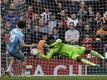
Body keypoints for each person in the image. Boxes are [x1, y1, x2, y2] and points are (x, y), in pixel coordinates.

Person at [35, 39, 105, 66]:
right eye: (52, 42)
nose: (53, 42)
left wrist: (51, 45)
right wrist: (39, 54)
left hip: (75, 48)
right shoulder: (52, 50)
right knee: (80, 59)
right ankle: (94, 65)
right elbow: (47, 58)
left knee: (89, 50)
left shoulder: (58, 42)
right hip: (71, 55)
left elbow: (59, 41)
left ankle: (103, 57)